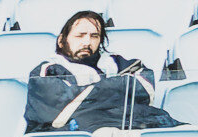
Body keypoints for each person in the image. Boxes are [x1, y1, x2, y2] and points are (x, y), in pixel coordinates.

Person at [30, 10, 170, 130]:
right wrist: (117, 89)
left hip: (131, 125)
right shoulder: (48, 70)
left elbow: (145, 88)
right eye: (80, 35)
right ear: (61, 41)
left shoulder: (117, 63)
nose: (87, 42)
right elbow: (58, 112)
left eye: (94, 36)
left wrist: (86, 93)